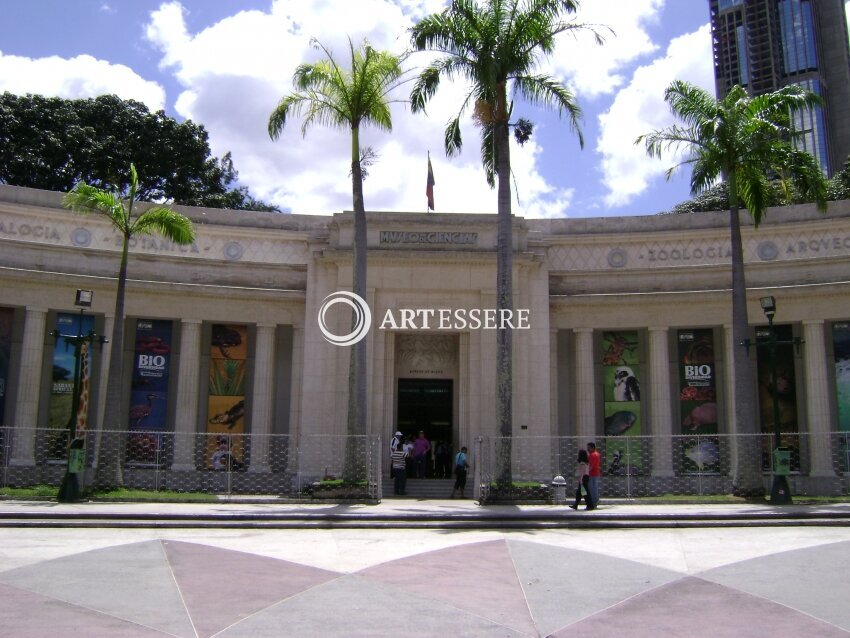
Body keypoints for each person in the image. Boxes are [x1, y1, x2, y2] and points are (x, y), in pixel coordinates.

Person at [586, 441, 601, 510]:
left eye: (589, 448)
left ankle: (594, 502)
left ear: (592, 448)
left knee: (591, 489)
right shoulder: (597, 454)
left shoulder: (592, 455)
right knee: (595, 488)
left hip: (592, 474)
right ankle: (596, 501)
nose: (587, 449)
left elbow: (591, 465)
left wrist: (586, 473)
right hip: (596, 473)